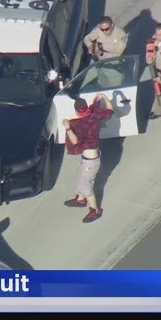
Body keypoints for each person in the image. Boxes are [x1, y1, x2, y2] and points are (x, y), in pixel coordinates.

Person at [62, 94, 115, 223]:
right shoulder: (94, 115)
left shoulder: (78, 124)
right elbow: (110, 111)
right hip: (90, 158)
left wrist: (68, 127)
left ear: (76, 111)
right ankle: (80, 199)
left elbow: (75, 141)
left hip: (90, 162)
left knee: (86, 187)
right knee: (81, 176)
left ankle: (95, 211)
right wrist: (104, 97)